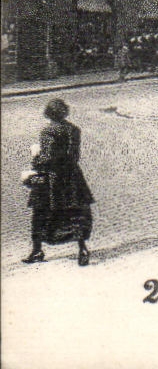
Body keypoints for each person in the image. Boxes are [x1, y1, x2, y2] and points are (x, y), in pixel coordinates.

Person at [22, 99, 95, 266]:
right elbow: (74, 156)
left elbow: (48, 158)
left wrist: (35, 157)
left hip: (52, 179)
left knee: (40, 214)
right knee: (76, 213)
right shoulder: (74, 129)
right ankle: (82, 249)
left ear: (48, 114)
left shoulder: (48, 131)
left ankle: (37, 250)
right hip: (72, 177)